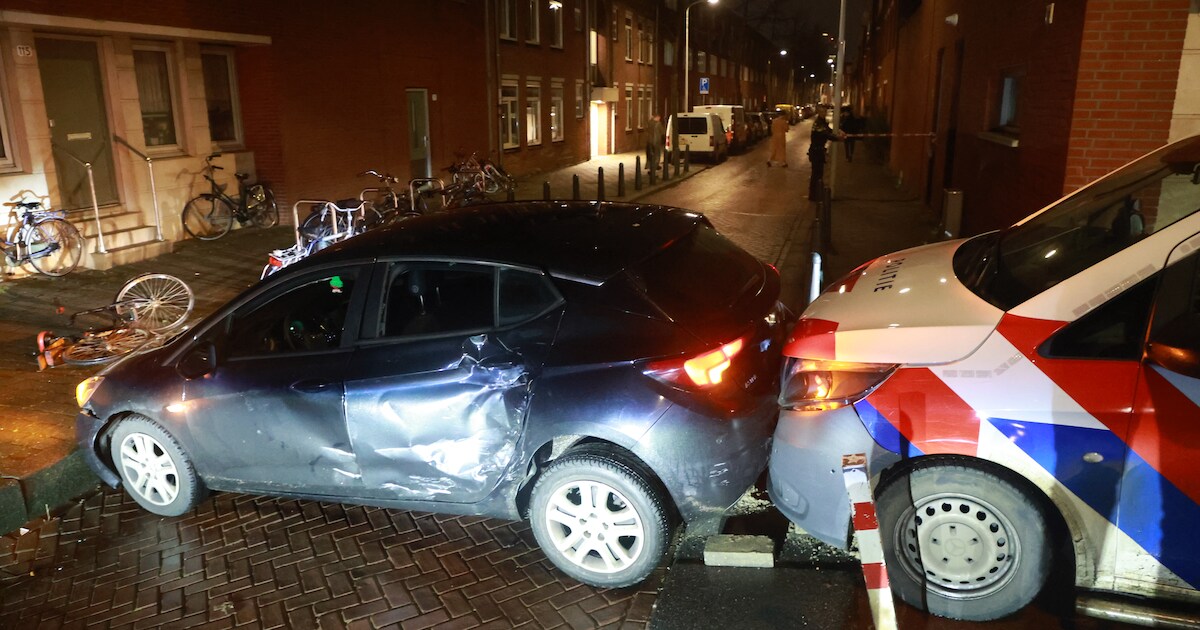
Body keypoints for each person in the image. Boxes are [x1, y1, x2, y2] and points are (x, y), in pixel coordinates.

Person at [808, 105, 844, 200]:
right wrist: (838, 138)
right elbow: (825, 134)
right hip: (816, 151)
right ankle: (813, 195)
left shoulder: (822, 122)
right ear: (819, 112)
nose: (824, 113)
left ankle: (817, 193)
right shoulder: (818, 123)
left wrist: (838, 132)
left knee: (819, 173)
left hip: (819, 151)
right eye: (823, 112)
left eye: (825, 112)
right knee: (816, 174)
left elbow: (828, 131)